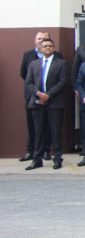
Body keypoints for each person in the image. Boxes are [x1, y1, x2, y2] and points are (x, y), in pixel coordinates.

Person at [24, 39, 69, 170]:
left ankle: (57, 158)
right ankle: (37, 159)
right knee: (38, 132)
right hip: (37, 103)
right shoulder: (34, 64)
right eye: (45, 46)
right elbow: (29, 82)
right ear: (41, 48)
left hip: (54, 103)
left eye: (50, 46)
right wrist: (39, 93)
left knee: (56, 132)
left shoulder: (61, 63)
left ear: (53, 48)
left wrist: (48, 95)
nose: (48, 48)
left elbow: (63, 82)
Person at [19, 31, 53, 162]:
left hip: (50, 97)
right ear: (35, 40)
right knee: (32, 125)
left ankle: (46, 151)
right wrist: (36, 90)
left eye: (45, 39)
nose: (41, 41)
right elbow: (23, 73)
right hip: (32, 96)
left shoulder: (56, 56)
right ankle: (31, 151)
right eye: (39, 38)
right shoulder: (28, 55)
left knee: (48, 125)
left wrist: (47, 93)